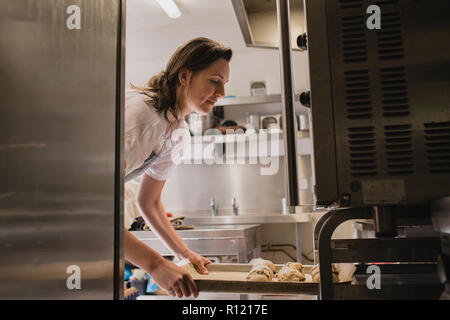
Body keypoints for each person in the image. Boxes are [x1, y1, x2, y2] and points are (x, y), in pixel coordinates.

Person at [123, 37, 232, 298]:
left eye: (224, 84)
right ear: (185, 76)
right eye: (214, 81)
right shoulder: (142, 116)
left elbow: (149, 201)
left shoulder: (177, 133)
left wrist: (184, 254)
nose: (221, 93)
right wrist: (156, 264)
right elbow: (87, 203)